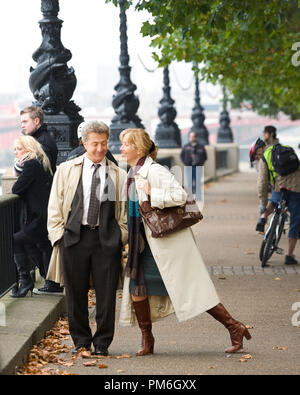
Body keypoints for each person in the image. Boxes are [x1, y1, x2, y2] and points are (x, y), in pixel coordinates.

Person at [119, 128, 251, 356]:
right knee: (136, 288)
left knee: (193, 289)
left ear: (139, 149)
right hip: (143, 242)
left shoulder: (155, 171)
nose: (121, 148)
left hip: (165, 243)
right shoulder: (133, 172)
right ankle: (147, 339)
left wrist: (152, 191)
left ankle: (234, 327)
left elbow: (180, 196)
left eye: (125, 144)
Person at [47, 121, 128, 355]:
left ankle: (102, 344)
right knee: (75, 294)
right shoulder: (66, 170)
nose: (100, 149)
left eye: (104, 144)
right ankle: (81, 342)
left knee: (106, 296)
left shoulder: (118, 175)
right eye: (95, 144)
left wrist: (120, 236)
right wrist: (59, 237)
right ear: (84, 143)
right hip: (74, 238)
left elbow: (122, 212)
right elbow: (54, 206)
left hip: (106, 240)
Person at [10, 136, 59, 297]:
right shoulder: (41, 162)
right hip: (44, 215)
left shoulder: (31, 164)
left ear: (29, 149)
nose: (16, 153)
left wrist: (19, 172)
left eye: (19, 149)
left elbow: (16, 189)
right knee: (39, 245)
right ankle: (50, 281)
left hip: (38, 218)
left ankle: (26, 281)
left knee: (16, 241)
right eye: (15, 150)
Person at [250, 138, 300, 265]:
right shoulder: (287, 149)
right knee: (295, 221)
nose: (257, 157)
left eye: (256, 154)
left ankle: (262, 217)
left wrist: (262, 203)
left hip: (280, 188)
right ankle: (289, 255)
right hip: (296, 187)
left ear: (260, 149)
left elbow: (261, 184)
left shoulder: (264, 158)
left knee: (272, 202)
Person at [20, 106, 58, 173]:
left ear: (36, 121)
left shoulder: (42, 143)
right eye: (21, 122)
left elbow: (37, 172)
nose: (22, 126)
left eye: (25, 122)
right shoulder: (39, 139)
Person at [180, 131, 207, 201]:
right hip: (188, 167)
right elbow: (181, 156)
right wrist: (185, 163)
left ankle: (198, 197)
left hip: (198, 167)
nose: (192, 138)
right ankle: (190, 198)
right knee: (189, 183)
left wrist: (201, 163)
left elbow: (205, 157)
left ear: (196, 137)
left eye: (193, 136)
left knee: (198, 182)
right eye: (190, 137)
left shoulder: (201, 147)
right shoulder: (185, 146)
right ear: (189, 138)